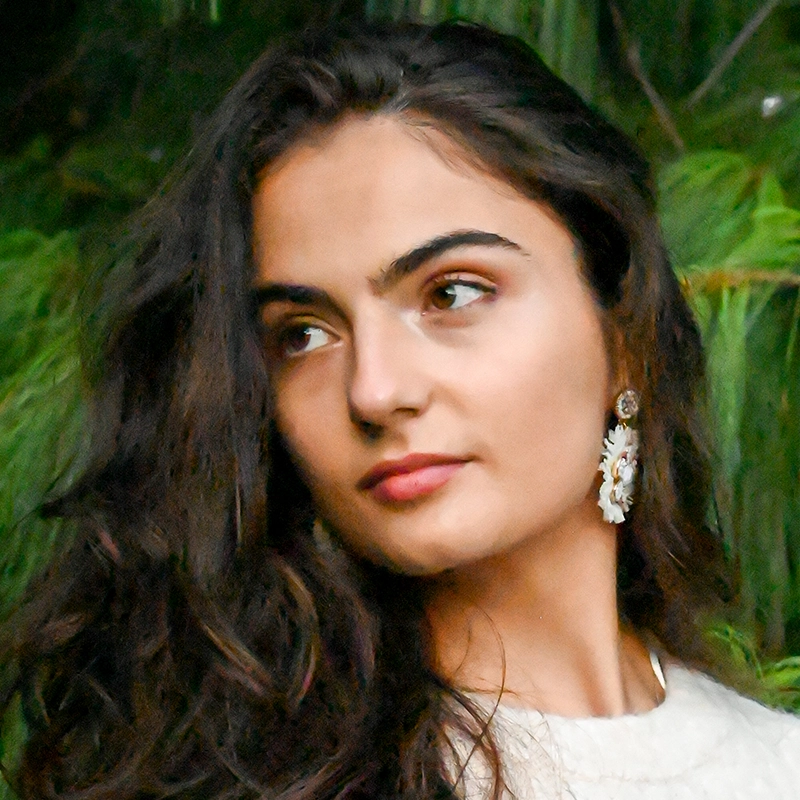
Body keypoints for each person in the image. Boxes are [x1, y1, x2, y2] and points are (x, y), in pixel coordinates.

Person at [1, 17, 798, 800]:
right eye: (303, 334)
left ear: (622, 331)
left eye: (451, 293)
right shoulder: (245, 778)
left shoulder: (780, 763)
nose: (375, 391)